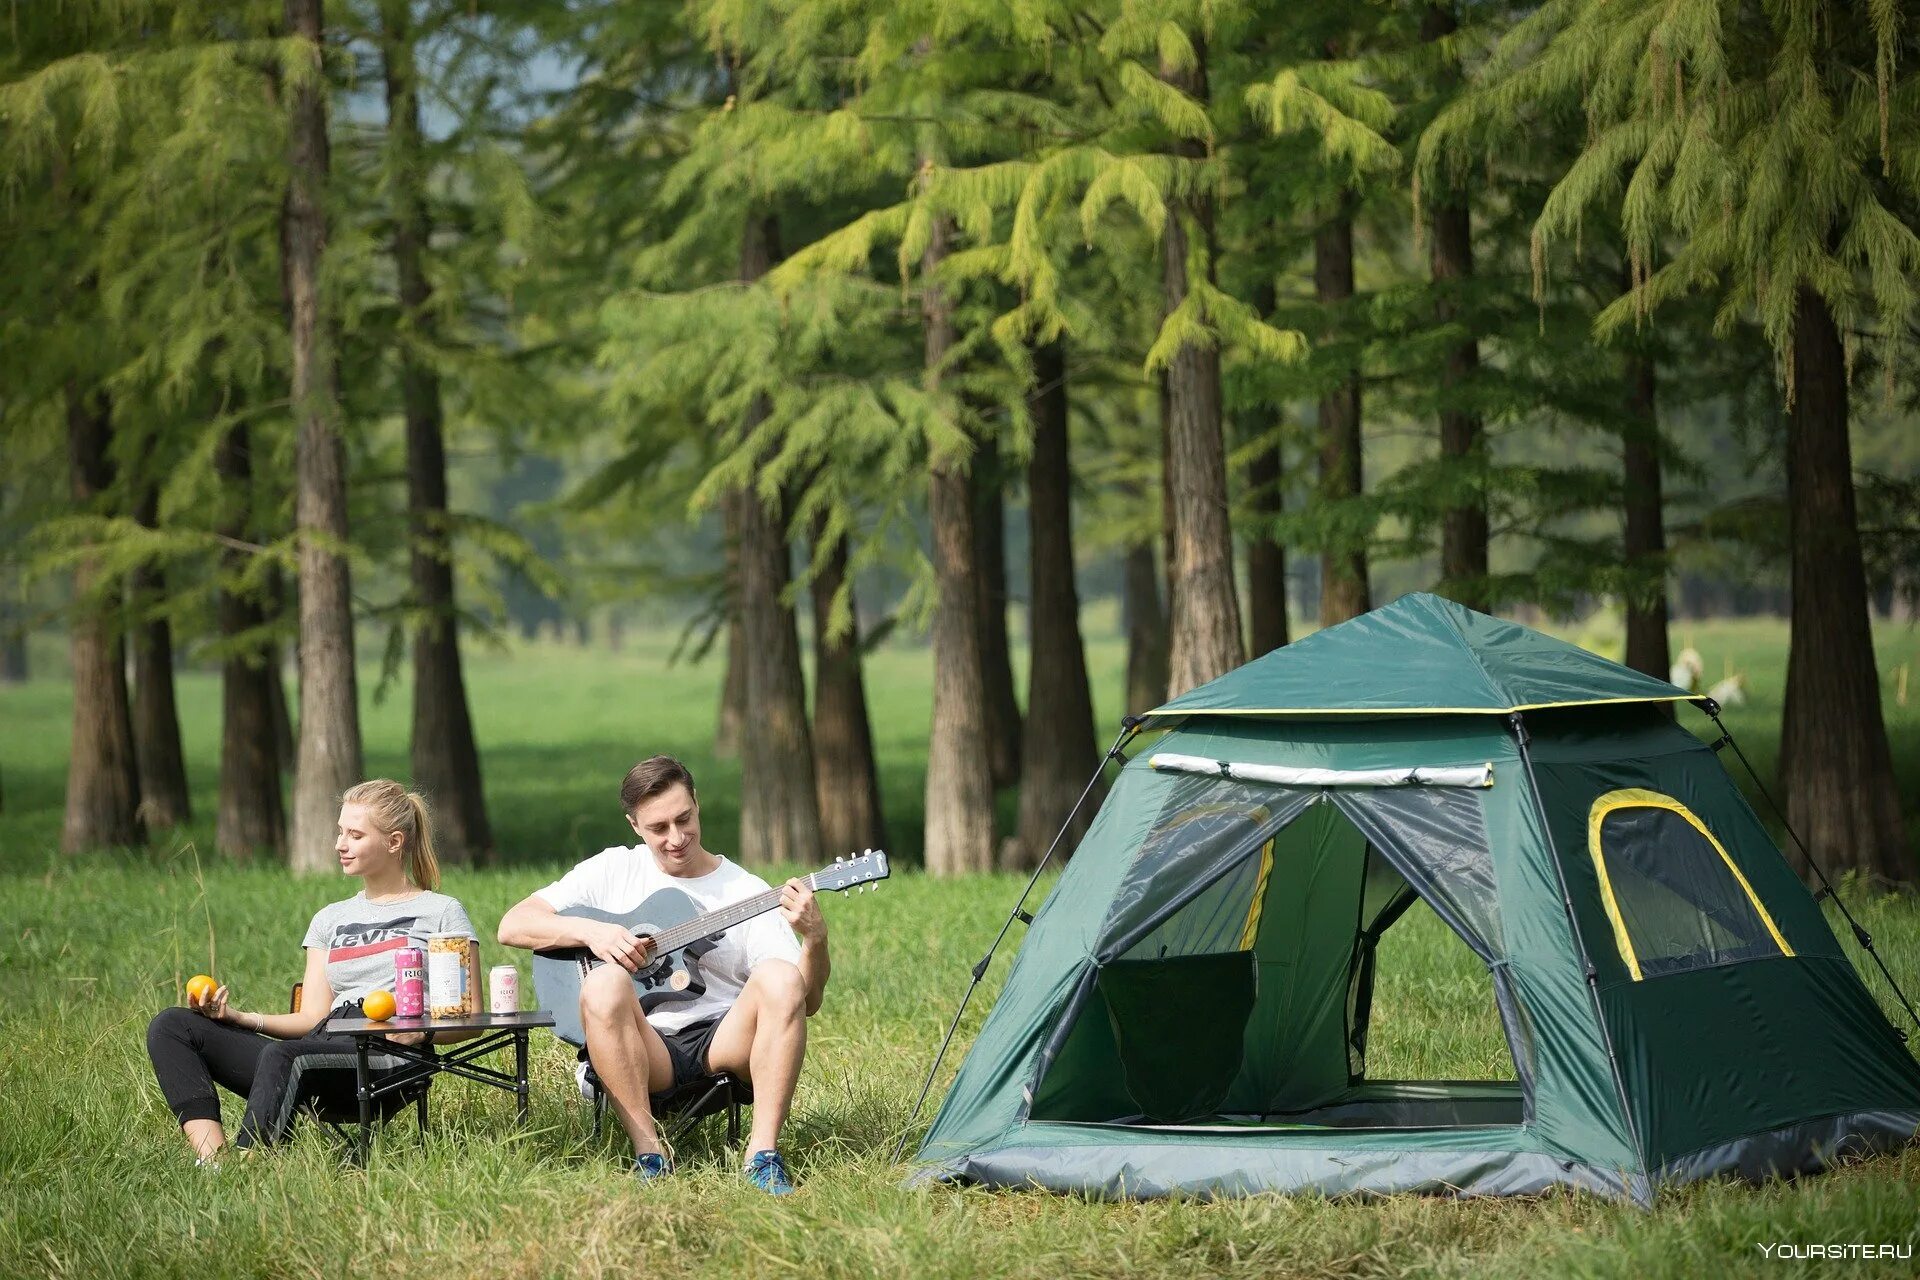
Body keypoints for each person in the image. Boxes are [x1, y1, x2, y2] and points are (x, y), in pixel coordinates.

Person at [498, 755, 827, 1194]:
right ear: (635, 825)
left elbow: (805, 1003)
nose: (676, 838)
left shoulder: (745, 890)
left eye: (684, 819)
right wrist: (593, 932)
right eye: (658, 828)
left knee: (781, 977)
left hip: (723, 1042)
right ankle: (652, 1156)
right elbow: (513, 924)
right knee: (603, 981)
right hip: (645, 1046)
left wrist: (815, 939)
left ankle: (762, 1157)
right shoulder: (614, 869)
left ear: (697, 804)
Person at [145, 780, 476, 1163]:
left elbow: (470, 1019)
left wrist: (423, 1030)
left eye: (355, 834)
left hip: (389, 1057)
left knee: (285, 1057)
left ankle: (250, 1168)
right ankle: (214, 1163)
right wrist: (236, 1018)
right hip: (322, 1042)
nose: (340, 844)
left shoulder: (441, 912)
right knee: (171, 1025)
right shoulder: (329, 919)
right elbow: (312, 1017)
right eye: (340, 832)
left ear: (394, 842)